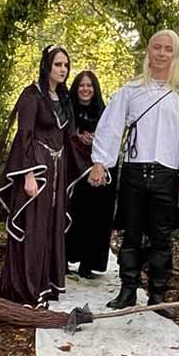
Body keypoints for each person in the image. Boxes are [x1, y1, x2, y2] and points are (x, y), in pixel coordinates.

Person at [89, 29, 179, 316]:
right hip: (134, 171)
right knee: (131, 235)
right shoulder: (132, 90)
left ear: (175, 54)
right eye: (157, 47)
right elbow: (111, 125)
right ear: (149, 51)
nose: (162, 53)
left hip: (166, 174)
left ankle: (158, 296)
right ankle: (128, 291)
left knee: (161, 238)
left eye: (168, 49)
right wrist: (100, 161)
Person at [0, 45, 90, 306]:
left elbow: (68, 138)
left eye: (66, 65)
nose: (63, 70)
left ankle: (45, 283)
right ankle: (26, 287)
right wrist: (27, 175)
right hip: (37, 169)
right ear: (47, 66)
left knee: (51, 226)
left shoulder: (62, 99)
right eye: (58, 64)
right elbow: (24, 135)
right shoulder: (32, 96)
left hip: (57, 172)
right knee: (34, 226)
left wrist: (94, 161)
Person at [66, 71, 117, 278]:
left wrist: (96, 140)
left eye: (89, 86)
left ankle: (89, 263)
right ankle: (65, 258)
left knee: (95, 217)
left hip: (97, 172)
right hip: (74, 172)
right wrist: (76, 137)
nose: (85, 89)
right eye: (81, 85)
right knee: (72, 214)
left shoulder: (104, 112)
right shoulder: (67, 110)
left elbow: (112, 140)